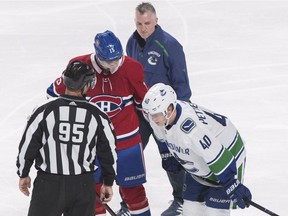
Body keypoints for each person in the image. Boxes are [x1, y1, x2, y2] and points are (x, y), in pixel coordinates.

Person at [46, 30, 151, 216]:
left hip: (126, 143)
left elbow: (146, 104)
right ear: (97, 54)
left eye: (117, 59)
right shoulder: (79, 66)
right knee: (92, 192)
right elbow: (53, 95)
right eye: (108, 60)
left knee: (134, 190)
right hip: (91, 145)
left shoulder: (132, 67)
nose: (113, 64)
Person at [16, 61, 116, 216]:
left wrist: (23, 173)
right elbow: (108, 152)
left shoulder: (45, 110)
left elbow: (28, 145)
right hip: (82, 186)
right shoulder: (98, 115)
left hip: (48, 185)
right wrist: (108, 182)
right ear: (85, 85)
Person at [142, 83, 252, 216]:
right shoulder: (158, 118)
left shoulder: (191, 129)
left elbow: (215, 153)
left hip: (226, 156)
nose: (152, 118)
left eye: (156, 114)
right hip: (199, 160)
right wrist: (168, 154)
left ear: (170, 109)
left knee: (215, 212)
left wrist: (231, 183)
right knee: (191, 210)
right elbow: (162, 136)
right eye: (149, 114)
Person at [125, 2, 192, 215]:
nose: (143, 28)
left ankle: (181, 201)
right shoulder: (131, 43)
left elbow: (182, 84)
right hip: (140, 113)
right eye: (139, 23)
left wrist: (179, 117)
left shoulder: (170, 46)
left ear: (156, 21)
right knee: (131, 156)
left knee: (172, 159)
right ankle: (129, 204)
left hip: (164, 117)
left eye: (147, 23)